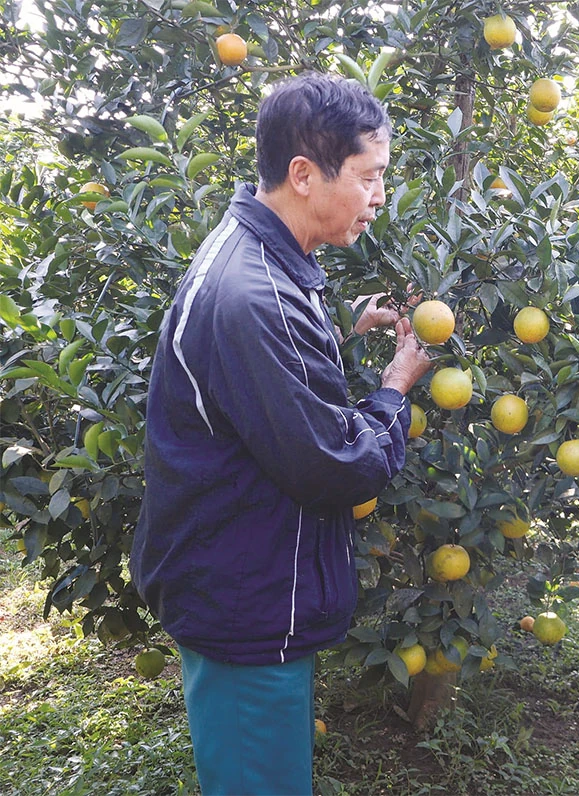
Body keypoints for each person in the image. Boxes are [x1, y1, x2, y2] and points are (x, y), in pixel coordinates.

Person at [131, 73, 431, 795]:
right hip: (246, 606)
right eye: (369, 176)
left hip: (244, 581)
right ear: (303, 174)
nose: (379, 197)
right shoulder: (255, 296)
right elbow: (336, 466)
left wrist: (343, 325)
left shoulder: (262, 257)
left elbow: (260, 381)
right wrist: (395, 389)